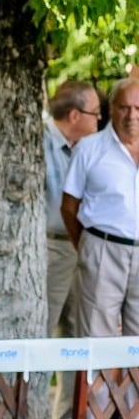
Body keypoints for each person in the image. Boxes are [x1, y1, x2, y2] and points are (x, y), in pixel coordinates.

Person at [44, 80, 101, 419]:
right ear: (76, 115)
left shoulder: (90, 147)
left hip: (82, 244)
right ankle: (32, 418)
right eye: (97, 113)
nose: (101, 120)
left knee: (77, 333)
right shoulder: (39, 140)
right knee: (41, 330)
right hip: (47, 246)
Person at [61, 77, 139, 339]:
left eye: (138, 108)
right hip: (102, 249)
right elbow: (69, 207)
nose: (131, 116)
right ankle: (96, 383)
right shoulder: (89, 149)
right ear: (111, 109)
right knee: (96, 340)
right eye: (124, 107)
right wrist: (86, 245)